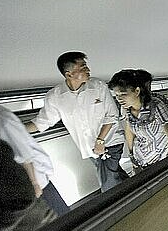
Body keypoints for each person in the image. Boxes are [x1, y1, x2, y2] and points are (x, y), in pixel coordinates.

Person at [26, 52, 127, 192]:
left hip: (110, 141)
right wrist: (15, 128)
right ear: (69, 74)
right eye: (83, 67)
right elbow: (42, 123)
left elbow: (112, 115)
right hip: (89, 149)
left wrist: (100, 140)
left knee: (108, 185)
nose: (88, 70)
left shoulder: (98, 86)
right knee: (114, 176)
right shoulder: (56, 96)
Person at [0, 95, 69, 216]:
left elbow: (24, 156)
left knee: (60, 220)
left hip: (32, 182)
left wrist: (34, 184)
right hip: (11, 185)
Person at [109, 70, 168, 171]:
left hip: (161, 158)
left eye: (123, 94)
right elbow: (129, 130)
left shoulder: (156, 105)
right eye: (117, 95)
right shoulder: (126, 108)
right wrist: (131, 156)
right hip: (141, 159)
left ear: (137, 91)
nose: (119, 99)